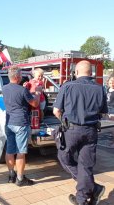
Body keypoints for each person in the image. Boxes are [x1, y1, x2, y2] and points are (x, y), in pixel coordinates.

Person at [53, 60, 107, 205]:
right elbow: (103, 113)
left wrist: (63, 121)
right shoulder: (100, 88)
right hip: (91, 131)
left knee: (64, 157)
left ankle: (88, 192)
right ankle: (87, 192)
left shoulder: (67, 86)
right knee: (86, 165)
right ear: (91, 73)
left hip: (71, 130)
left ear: (76, 72)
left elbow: (56, 111)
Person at [2, 65, 41, 186]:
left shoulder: (4, 88)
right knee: (20, 152)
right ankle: (20, 179)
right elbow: (34, 103)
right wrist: (38, 93)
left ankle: (11, 175)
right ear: (18, 77)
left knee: (9, 150)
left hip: (9, 123)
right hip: (20, 123)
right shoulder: (22, 90)